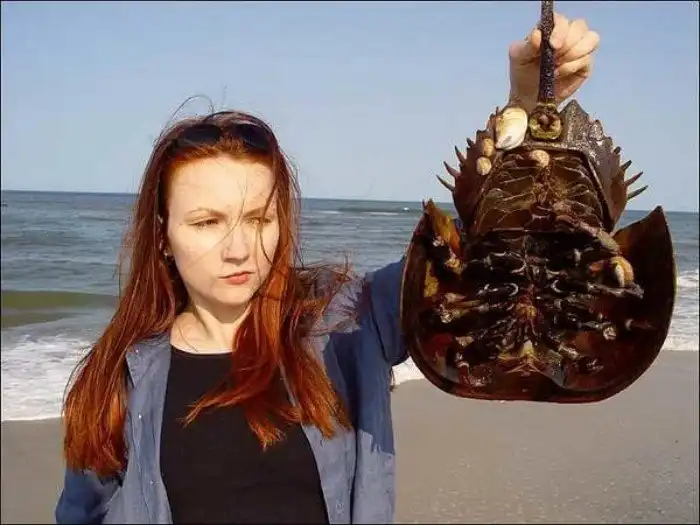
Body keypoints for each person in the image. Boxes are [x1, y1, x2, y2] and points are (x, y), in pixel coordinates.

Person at [55, 11, 600, 525]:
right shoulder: (119, 377)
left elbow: (474, 256)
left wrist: (525, 106)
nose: (239, 249)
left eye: (259, 219)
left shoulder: (342, 323)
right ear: (163, 236)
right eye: (206, 222)